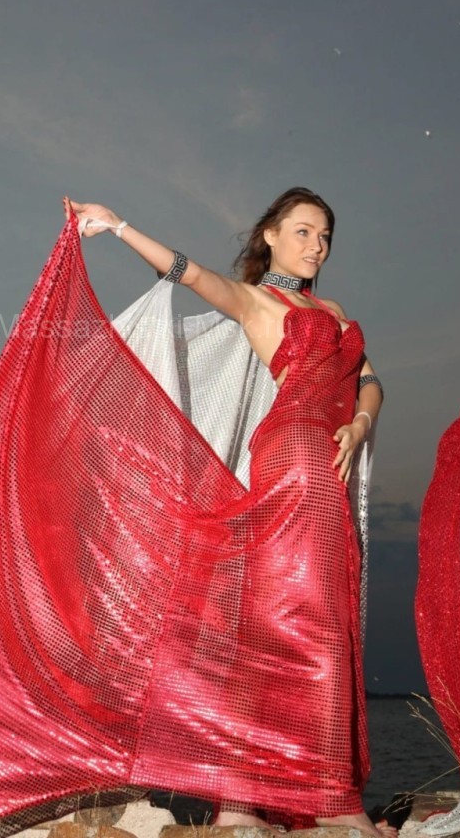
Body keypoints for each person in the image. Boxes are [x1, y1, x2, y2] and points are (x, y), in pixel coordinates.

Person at [63, 187, 391, 838]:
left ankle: (241, 800)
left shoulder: (333, 311)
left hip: (327, 459)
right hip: (293, 455)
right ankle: (332, 800)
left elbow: (370, 381)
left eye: (325, 236)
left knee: (272, 624)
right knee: (316, 627)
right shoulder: (256, 301)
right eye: (303, 232)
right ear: (270, 235)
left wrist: (359, 424)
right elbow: (191, 274)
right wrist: (119, 225)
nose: (316, 246)